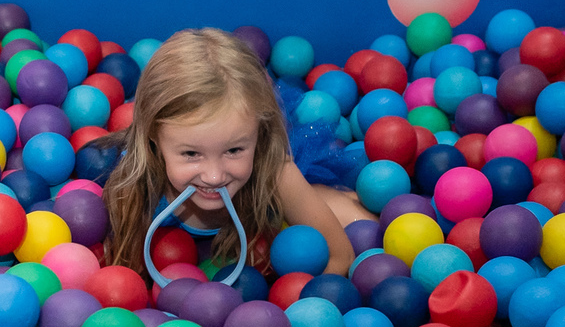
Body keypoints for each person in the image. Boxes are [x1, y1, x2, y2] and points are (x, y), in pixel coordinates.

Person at [97, 27, 374, 278]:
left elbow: (340, 256)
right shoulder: (135, 188)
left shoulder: (273, 172)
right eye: (191, 154)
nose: (214, 176)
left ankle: (331, 194)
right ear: (153, 139)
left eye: (234, 150)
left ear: (259, 134)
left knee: (363, 224)